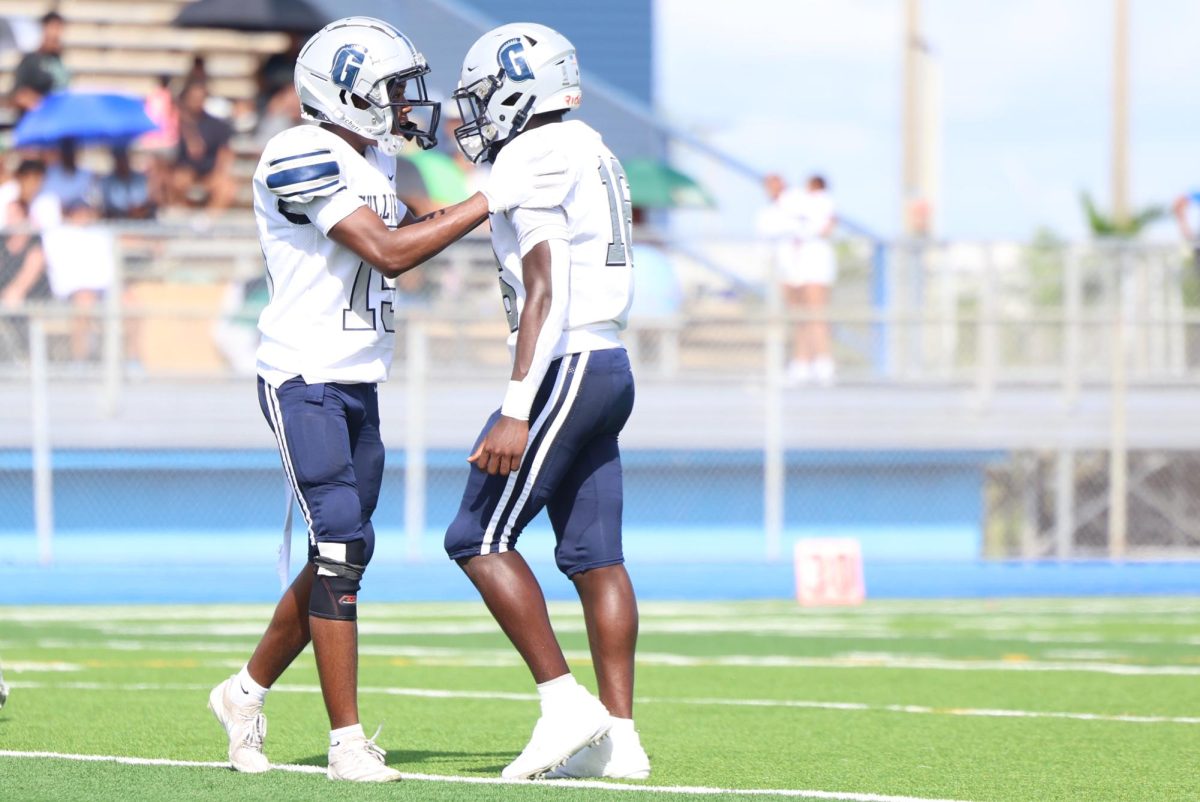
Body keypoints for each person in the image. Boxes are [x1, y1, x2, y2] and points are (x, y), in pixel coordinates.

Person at [204, 16, 550, 783]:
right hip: (304, 376)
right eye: (393, 90)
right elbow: (388, 251)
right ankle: (347, 743)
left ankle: (243, 692)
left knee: (348, 548)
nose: (405, 105)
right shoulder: (297, 150)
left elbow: (409, 248)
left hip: (360, 376)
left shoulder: (376, 164)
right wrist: (488, 199)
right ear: (348, 90)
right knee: (337, 548)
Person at [445, 23, 649, 781]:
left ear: (517, 86)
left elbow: (545, 287)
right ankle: (621, 742)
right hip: (609, 361)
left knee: (477, 534)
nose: (474, 114)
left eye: (483, 96)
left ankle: (566, 706)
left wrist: (516, 405)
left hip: (564, 361)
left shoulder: (533, 152)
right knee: (597, 558)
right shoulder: (590, 143)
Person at [758, 173, 838, 386]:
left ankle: (823, 363)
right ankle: (801, 363)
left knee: (816, 315)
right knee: (799, 318)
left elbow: (826, 220)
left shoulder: (803, 201)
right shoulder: (768, 214)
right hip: (789, 269)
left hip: (813, 267)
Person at [169, 80, 236, 214]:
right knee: (177, 181)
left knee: (227, 187)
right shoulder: (176, 124)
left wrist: (220, 171)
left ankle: (208, 221)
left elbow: (224, 152)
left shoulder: (216, 125)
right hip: (186, 171)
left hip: (209, 172)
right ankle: (183, 216)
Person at [10, 11, 68, 118]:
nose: (56, 34)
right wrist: (44, 106)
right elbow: (18, 96)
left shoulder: (58, 60)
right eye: (53, 28)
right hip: (38, 122)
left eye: (59, 29)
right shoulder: (31, 60)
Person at [99, 145, 156, 220]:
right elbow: (106, 208)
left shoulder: (141, 178)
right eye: (119, 159)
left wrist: (139, 210)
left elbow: (149, 202)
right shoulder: (107, 181)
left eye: (124, 159)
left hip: (141, 219)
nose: (122, 163)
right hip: (118, 221)